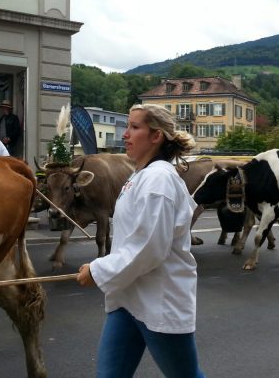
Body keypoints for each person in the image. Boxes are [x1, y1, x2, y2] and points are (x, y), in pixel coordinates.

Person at [76, 103, 205, 378]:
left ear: (156, 136)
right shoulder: (141, 175)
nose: (125, 134)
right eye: (127, 127)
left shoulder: (158, 180)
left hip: (159, 301)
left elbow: (149, 249)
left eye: (134, 127)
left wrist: (98, 270)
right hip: (129, 296)